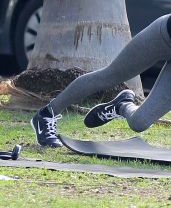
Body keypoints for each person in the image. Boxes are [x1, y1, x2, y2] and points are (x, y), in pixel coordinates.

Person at [31, 14, 171, 147]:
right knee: (109, 76)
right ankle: (47, 114)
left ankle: (121, 105)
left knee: (139, 123)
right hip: (163, 37)